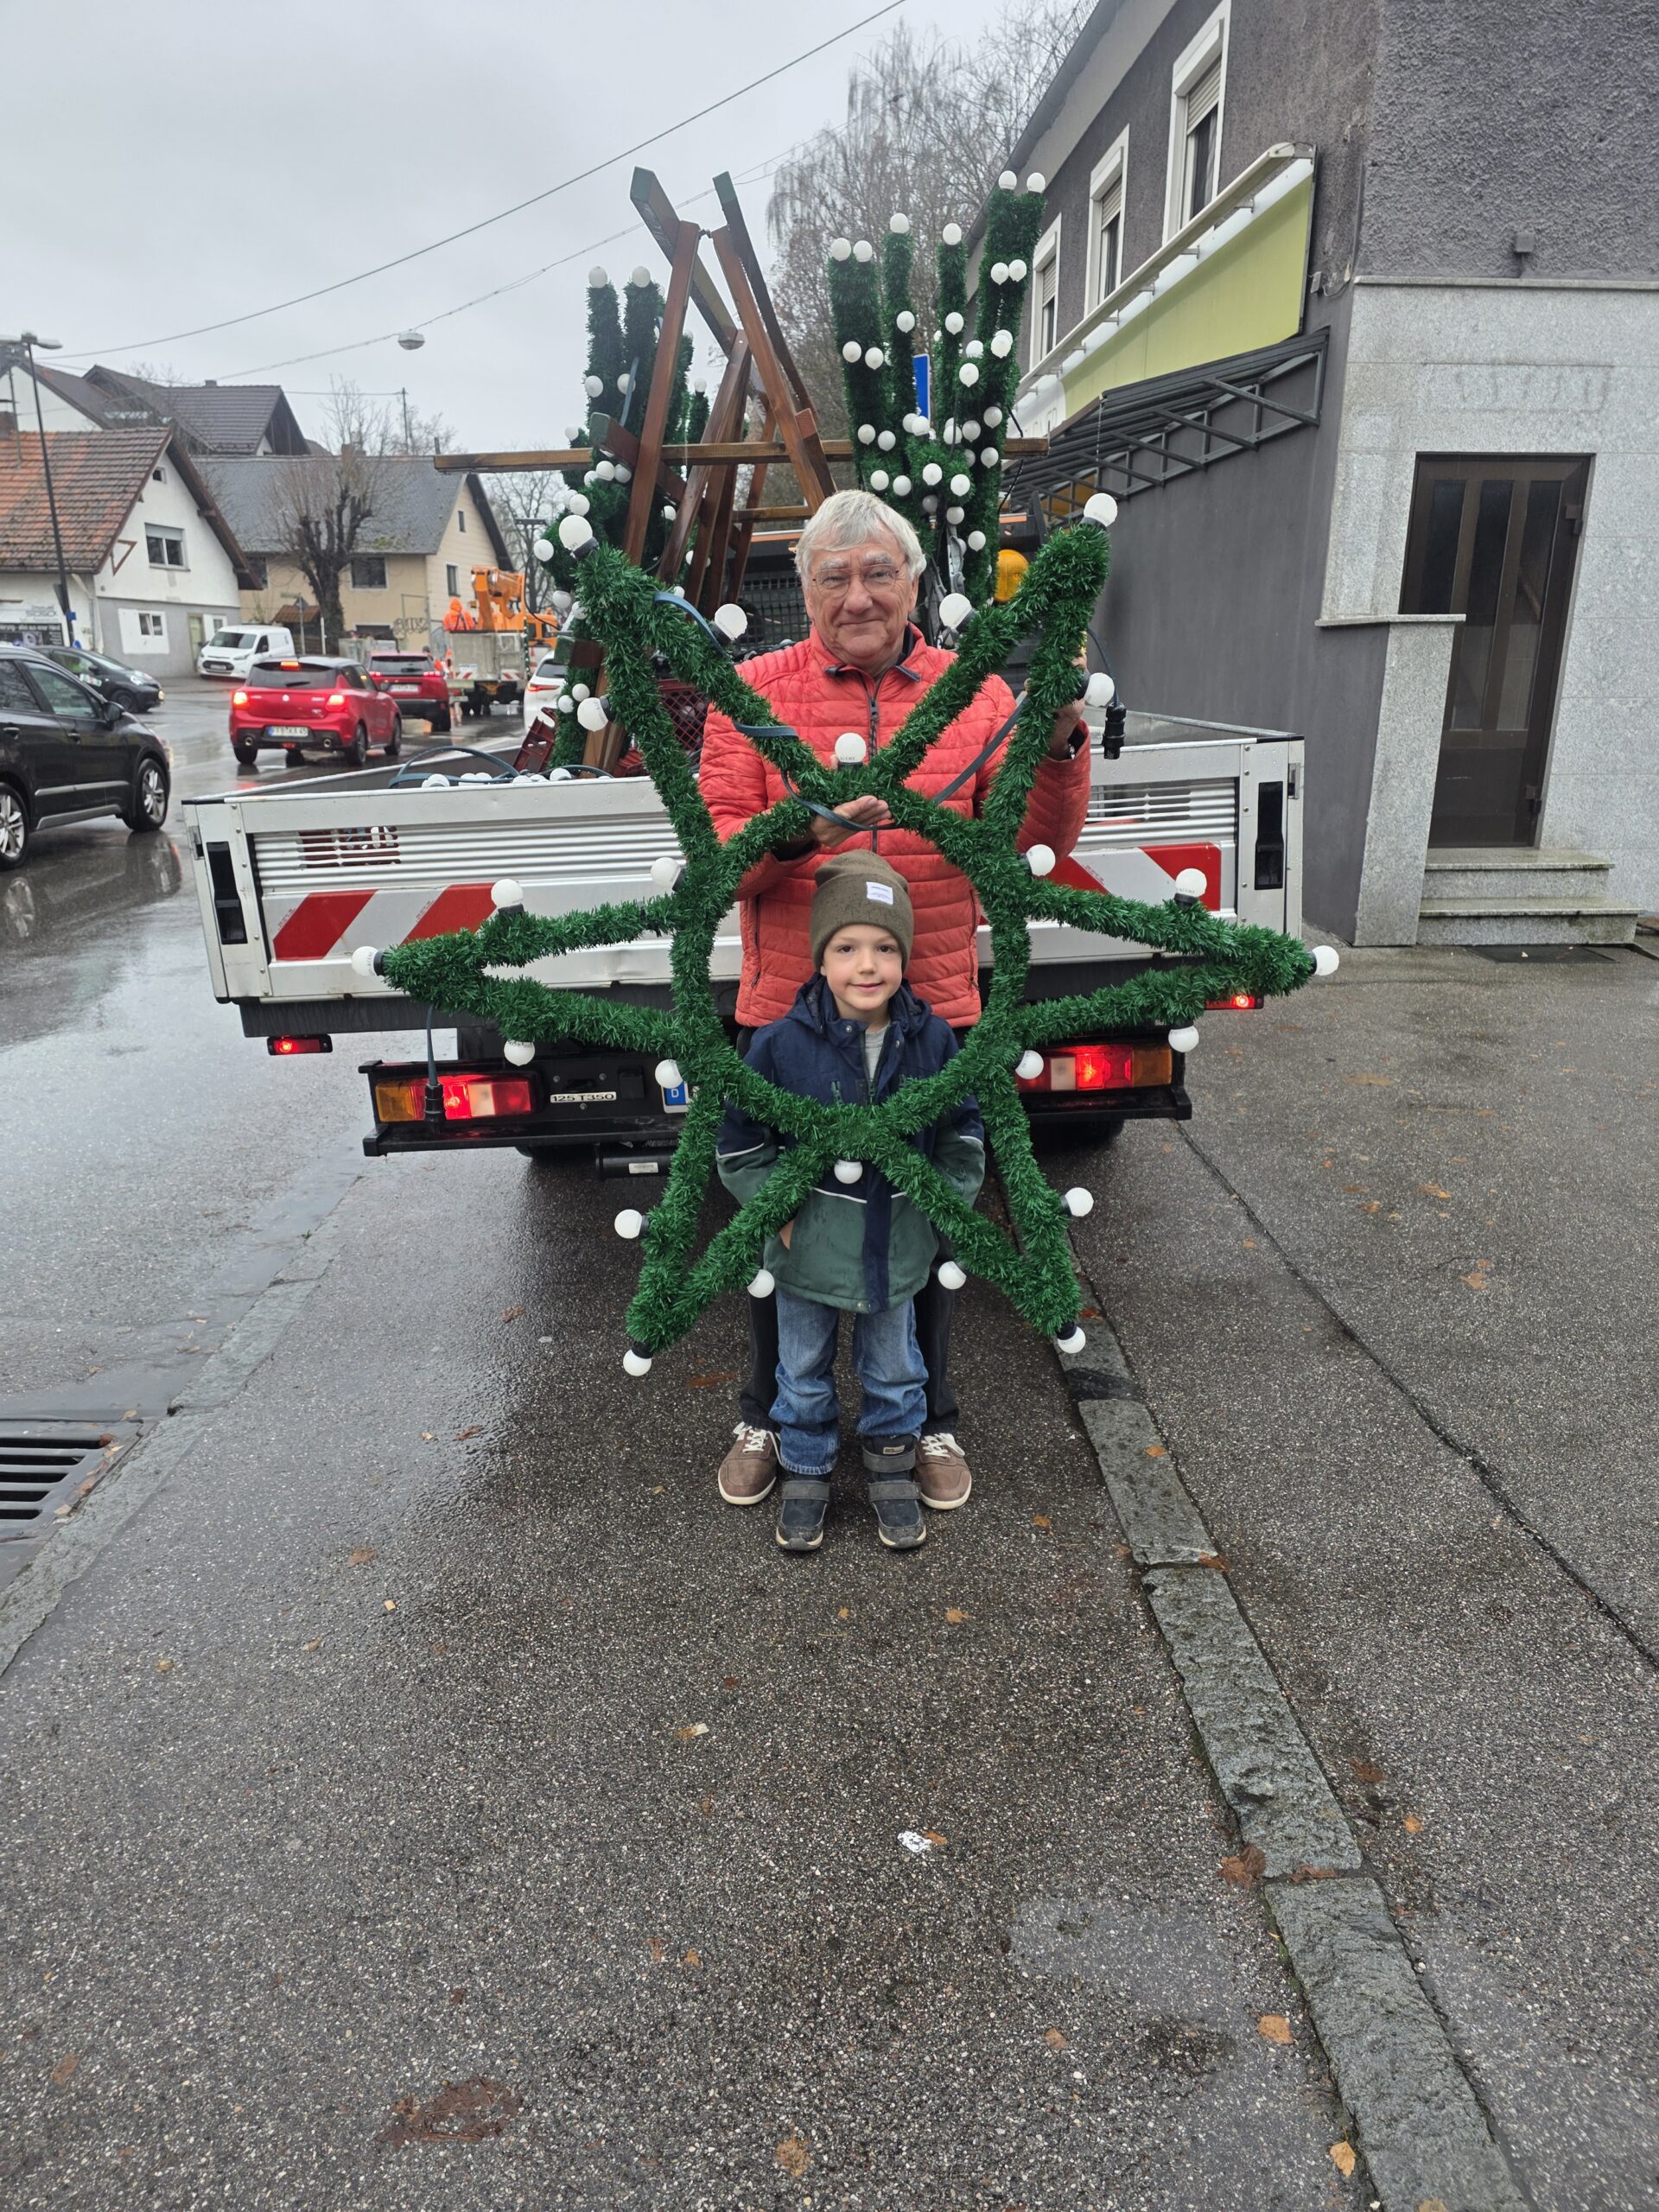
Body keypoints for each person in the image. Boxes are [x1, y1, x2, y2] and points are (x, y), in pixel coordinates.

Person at [699, 487, 1091, 1512]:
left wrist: (1059, 734)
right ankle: (767, 1414)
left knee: (920, 1227)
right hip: (792, 1018)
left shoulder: (975, 694)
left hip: (934, 1021)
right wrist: (804, 834)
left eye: (879, 571)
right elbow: (718, 861)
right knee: (777, 1223)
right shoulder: (752, 694)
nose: (859, 593)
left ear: (916, 581)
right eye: (835, 575)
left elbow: (1034, 839)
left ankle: (927, 1421)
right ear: (807, 590)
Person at [716, 853, 985, 1554]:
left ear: (904, 955)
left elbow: (962, 1134)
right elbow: (742, 1143)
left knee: (896, 1368)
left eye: (884, 948)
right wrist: (775, 1206)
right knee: (801, 1369)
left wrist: (943, 1204)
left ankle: (892, 1471)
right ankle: (806, 1470)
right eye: (846, 948)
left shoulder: (930, 1041)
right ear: (820, 957)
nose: (866, 966)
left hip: (896, 1247)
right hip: (805, 1251)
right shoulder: (778, 1047)